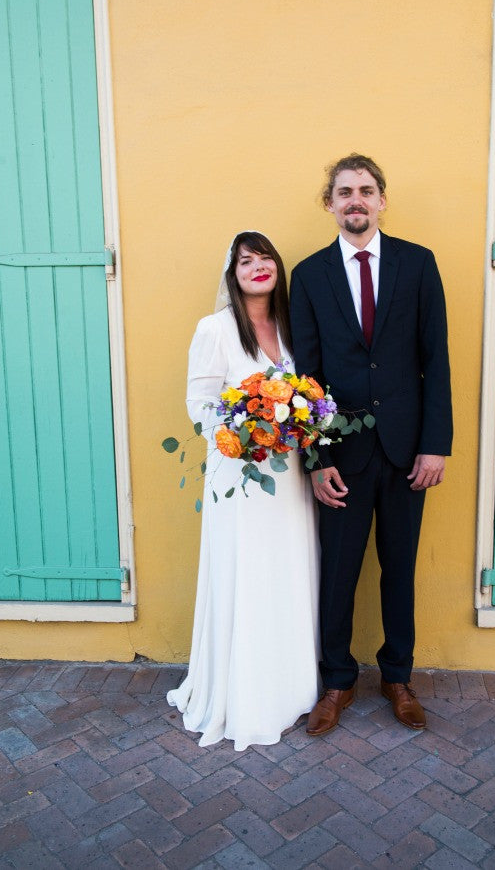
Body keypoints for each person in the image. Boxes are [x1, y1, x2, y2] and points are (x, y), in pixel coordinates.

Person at [289, 154, 452, 735]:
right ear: (329, 204)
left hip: (409, 451)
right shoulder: (308, 275)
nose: (354, 200)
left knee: (399, 568)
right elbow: (304, 377)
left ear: (382, 199)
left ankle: (397, 677)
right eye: (343, 192)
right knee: (338, 571)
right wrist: (317, 459)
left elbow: (436, 359)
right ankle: (336, 682)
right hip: (343, 456)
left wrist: (435, 446)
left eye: (364, 190)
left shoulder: (417, 264)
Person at [167, 232, 319, 751]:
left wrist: (295, 427)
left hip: (290, 477)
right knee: (248, 571)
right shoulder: (216, 329)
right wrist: (246, 431)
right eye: (245, 261)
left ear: (278, 267)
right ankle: (247, 695)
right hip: (241, 476)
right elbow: (200, 402)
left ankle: (292, 688)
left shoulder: (294, 328)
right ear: (232, 274)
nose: (258, 267)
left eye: (266, 258)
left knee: (288, 569)